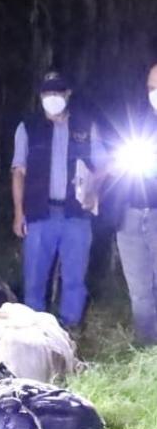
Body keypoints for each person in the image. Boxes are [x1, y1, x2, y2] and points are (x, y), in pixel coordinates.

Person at [11, 71, 103, 329]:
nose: (52, 97)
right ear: (41, 95)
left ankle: (69, 330)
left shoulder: (86, 126)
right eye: (47, 92)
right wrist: (18, 212)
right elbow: (18, 171)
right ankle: (33, 332)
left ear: (67, 93)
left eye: (57, 92)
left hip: (77, 216)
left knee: (75, 279)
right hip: (39, 214)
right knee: (34, 280)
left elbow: (104, 166)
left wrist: (94, 190)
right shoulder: (28, 127)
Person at [99, 63, 157, 344]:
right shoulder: (140, 124)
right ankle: (148, 346)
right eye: (151, 87)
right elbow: (117, 163)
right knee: (139, 290)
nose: (154, 93)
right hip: (130, 217)